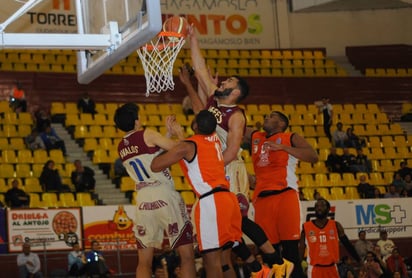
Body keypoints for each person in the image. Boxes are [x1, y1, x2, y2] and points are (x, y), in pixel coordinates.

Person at [180, 28, 285, 274]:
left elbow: (234, 149)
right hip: (216, 168)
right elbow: (200, 69)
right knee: (222, 239)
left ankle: (275, 262)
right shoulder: (214, 99)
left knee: (238, 221)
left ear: (236, 92)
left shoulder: (236, 116)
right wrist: (193, 41)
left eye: (229, 82)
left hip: (229, 167)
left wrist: (211, 167)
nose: (223, 81)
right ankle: (256, 265)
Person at [151, 110, 247, 278]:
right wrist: (180, 135)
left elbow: (156, 165)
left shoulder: (188, 145)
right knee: (225, 260)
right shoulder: (214, 140)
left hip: (212, 202)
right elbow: (192, 150)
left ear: (195, 126)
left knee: (211, 261)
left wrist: (169, 137)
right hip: (228, 199)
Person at [113, 103, 196, 278]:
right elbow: (179, 149)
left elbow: (150, 154)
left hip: (142, 199)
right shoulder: (147, 133)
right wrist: (177, 133)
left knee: (144, 262)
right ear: (136, 121)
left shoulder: (121, 146)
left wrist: (165, 134)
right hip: (162, 192)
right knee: (187, 256)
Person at [246, 110, 319, 277]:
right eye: (267, 115)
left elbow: (313, 156)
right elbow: (232, 123)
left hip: (285, 194)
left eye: (272, 116)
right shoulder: (256, 136)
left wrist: (283, 148)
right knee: (268, 252)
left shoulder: (290, 137)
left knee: (290, 252)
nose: (266, 117)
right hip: (262, 198)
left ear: (281, 124)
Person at [299, 198, 361, 278]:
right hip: (314, 269)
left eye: (322, 205)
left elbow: (347, 244)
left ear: (328, 209)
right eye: (317, 206)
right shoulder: (306, 226)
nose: (319, 208)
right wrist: (297, 265)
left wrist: (359, 260)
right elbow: (301, 248)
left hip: (332, 268)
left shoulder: (336, 225)